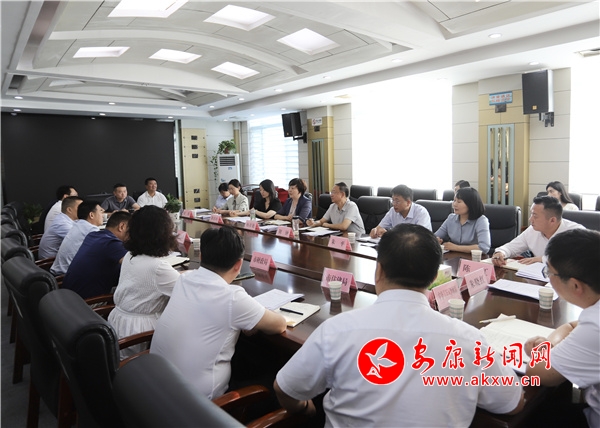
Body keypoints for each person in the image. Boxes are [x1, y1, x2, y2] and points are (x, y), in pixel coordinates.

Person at [274, 224, 524, 426]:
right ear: (434, 277)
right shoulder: (469, 341)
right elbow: (512, 403)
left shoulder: (337, 330)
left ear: (378, 271)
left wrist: (304, 409)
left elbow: (286, 388)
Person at [151, 226, 287, 399]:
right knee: (273, 379)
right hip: (198, 403)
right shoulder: (232, 297)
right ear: (239, 264)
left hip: (156, 386)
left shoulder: (184, 279)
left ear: (201, 256)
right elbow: (279, 325)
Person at [525, 229, 599, 427]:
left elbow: (537, 372)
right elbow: (571, 325)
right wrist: (552, 342)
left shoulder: (596, 326)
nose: (548, 277)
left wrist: (544, 348)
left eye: (549, 272)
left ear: (575, 286)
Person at [108, 206, 180, 359]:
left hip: (119, 323)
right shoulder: (158, 268)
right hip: (141, 333)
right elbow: (188, 291)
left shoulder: (130, 255)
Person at [492, 196, 585, 266]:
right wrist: (500, 253)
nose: (530, 219)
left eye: (535, 216)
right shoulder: (533, 230)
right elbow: (512, 247)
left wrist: (543, 259)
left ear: (552, 220)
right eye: (531, 214)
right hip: (538, 277)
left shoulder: (576, 233)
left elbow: (578, 260)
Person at [62, 212, 130, 299]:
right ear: (122, 226)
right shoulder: (111, 243)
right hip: (86, 303)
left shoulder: (93, 235)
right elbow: (134, 266)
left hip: (67, 297)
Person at [50, 201, 104, 275]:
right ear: (91, 215)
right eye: (101, 211)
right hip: (66, 275)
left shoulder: (78, 224)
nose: (103, 215)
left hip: (60, 271)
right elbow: (105, 250)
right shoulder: (91, 229)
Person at [435, 187, 491, 254]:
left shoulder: (481, 221)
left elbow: (484, 247)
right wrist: (436, 240)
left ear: (470, 204)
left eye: (459, 202)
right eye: (454, 200)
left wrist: (455, 247)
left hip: (472, 258)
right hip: (453, 257)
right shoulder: (451, 218)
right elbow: (435, 236)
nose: (454, 204)